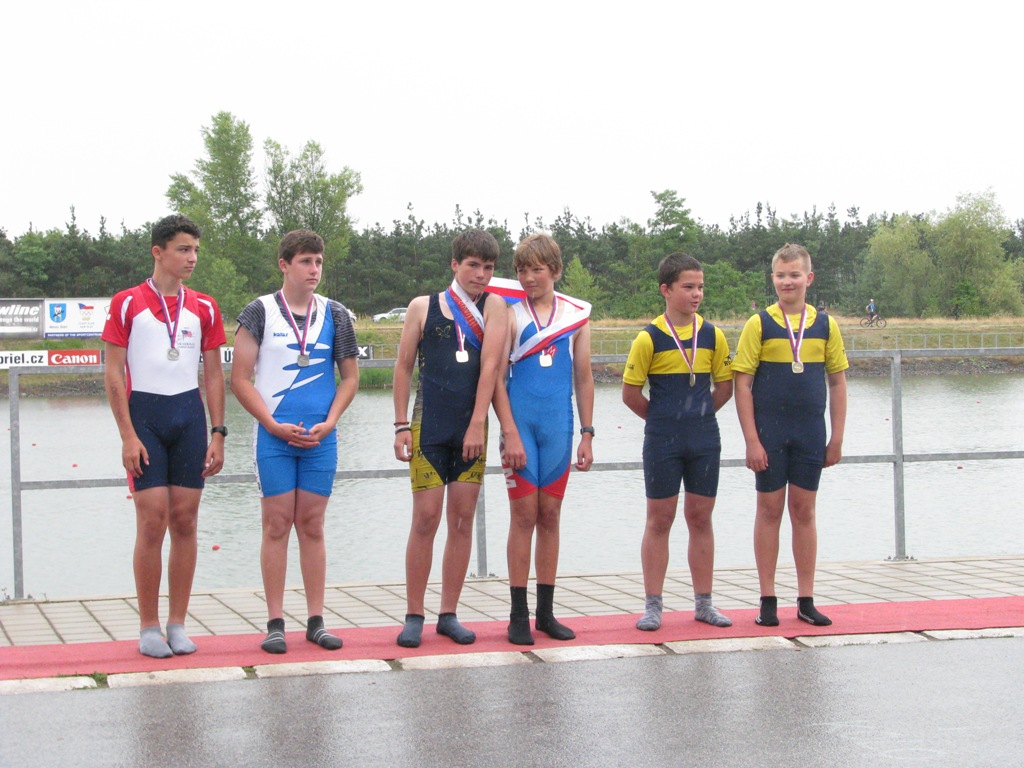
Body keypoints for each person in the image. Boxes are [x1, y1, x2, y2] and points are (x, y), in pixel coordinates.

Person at [102, 214, 226, 658]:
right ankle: (148, 626)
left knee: (186, 521)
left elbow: (214, 375)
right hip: (145, 419)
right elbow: (113, 372)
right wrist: (127, 435)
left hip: (189, 418)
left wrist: (218, 432)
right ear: (158, 252)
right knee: (152, 520)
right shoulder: (127, 303)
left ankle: (177, 623)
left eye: (195, 250)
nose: (192, 258)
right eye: (183, 249)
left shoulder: (205, 306)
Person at [231, 229, 359, 654]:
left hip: (321, 437)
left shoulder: (336, 314)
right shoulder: (259, 312)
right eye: (305, 261)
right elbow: (239, 379)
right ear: (284, 265)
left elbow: (350, 378)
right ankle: (275, 623)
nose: (314, 269)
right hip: (274, 436)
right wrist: (271, 424)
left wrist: (331, 421)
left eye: (318, 262)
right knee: (276, 524)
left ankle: (316, 621)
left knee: (313, 525)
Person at [392, 229, 509, 648]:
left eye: (488, 267)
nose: (481, 275)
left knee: (461, 520)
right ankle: (413, 614)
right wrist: (400, 425)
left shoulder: (495, 307)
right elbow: (403, 367)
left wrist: (478, 422)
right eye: (473, 265)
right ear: (455, 264)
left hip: (471, 428)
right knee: (425, 519)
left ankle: (448, 613)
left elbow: (491, 367)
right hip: (428, 426)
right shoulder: (422, 307)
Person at [732, 243, 848, 627]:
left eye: (795, 275)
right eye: (781, 275)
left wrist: (837, 438)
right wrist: (751, 440)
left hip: (810, 432)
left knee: (804, 511)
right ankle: (767, 599)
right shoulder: (759, 324)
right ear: (773, 279)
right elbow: (742, 384)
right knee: (769, 511)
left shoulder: (825, 325)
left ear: (808, 278)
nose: (788, 282)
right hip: (770, 433)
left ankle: (806, 599)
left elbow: (837, 382)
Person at [622, 253, 734, 631]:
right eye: (688, 287)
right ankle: (653, 605)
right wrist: (664, 421)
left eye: (700, 287)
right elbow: (630, 395)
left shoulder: (713, 335)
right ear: (666, 290)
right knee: (660, 520)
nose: (696, 294)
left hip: (704, 439)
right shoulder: (649, 338)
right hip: (662, 440)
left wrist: (697, 417)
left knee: (700, 518)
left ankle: (704, 603)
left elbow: (725, 388)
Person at [492, 233, 594, 645]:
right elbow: (495, 378)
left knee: (550, 516)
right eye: (522, 270)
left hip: (558, 427)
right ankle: (517, 615)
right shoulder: (510, 315)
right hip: (519, 429)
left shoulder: (577, 318)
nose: (528, 277)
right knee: (523, 517)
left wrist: (587, 433)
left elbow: (583, 378)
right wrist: (509, 431)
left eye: (537, 269)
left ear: (555, 271)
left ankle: (546, 614)